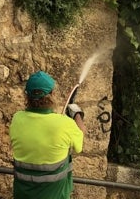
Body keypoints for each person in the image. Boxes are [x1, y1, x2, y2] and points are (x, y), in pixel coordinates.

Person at [9, 70, 86, 199]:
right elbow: (79, 143)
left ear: (27, 96)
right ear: (52, 94)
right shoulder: (65, 124)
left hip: (23, 195)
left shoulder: (17, 119)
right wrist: (77, 114)